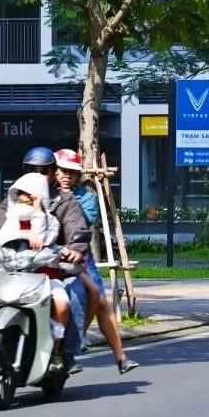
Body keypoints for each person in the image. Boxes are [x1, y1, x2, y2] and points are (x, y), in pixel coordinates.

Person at [0, 148, 94, 363]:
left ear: (52, 173)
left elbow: (74, 226)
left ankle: (63, 355)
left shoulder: (64, 200)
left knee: (74, 296)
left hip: (53, 267)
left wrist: (75, 251)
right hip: (14, 268)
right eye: (32, 170)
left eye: (42, 171)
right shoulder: (13, 198)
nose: (37, 175)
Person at [56, 149, 136, 374]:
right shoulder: (41, 194)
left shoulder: (86, 199)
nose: (66, 176)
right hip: (44, 255)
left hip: (78, 256)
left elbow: (81, 221)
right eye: (62, 171)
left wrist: (64, 197)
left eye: (71, 172)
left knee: (99, 301)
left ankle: (118, 356)